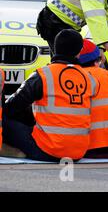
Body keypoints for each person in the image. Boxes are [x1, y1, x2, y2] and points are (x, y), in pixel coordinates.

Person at [2, 30, 94, 161]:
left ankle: (7, 149)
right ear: (79, 52)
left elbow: (12, 106)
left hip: (47, 151)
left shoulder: (44, 75)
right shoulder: (89, 78)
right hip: (78, 152)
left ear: (54, 48)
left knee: (3, 118)